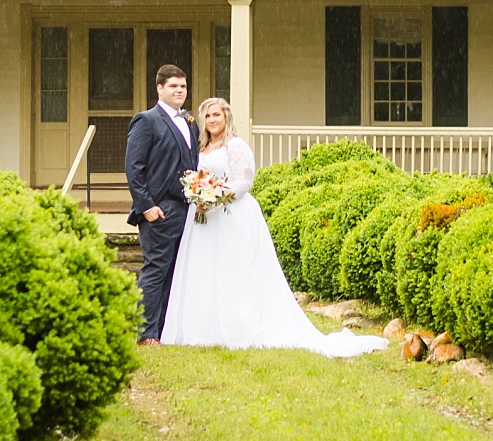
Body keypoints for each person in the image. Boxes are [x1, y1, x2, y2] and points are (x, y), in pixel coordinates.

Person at [161, 97, 387, 357]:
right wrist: (199, 198)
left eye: (217, 115)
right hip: (204, 220)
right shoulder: (202, 148)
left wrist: (215, 197)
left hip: (231, 216)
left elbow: (244, 182)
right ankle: (205, 329)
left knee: (234, 272)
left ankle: (237, 326)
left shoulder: (236, 146)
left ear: (226, 118)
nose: (212, 120)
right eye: (208, 116)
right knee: (206, 270)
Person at [124, 64, 199, 346]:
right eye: (173, 87)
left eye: (183, 86)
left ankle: (165, 331)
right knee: (156, 269)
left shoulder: (190, 121)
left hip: (185, 209)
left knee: (176, 271)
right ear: (159, 89)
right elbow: (134, 168)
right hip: (158, 210)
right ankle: (145, 334)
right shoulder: (146, 121)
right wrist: (147, 207)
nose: (179, 91)